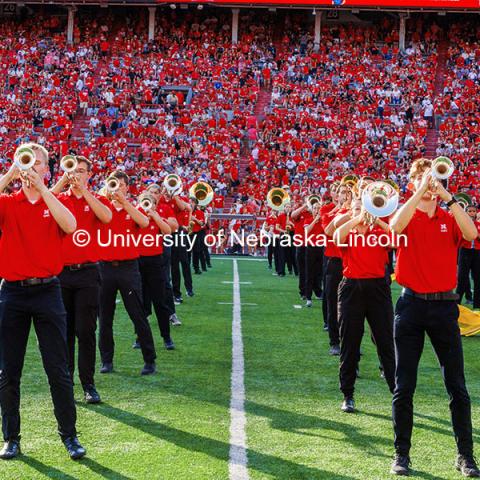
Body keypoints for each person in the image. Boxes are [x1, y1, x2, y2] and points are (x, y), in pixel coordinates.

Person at [389, 158, 479, 477]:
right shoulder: (408, 214)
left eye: (431, 177)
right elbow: (394, 227)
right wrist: (418, 192)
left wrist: (448, 197)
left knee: (457, 385)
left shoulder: (448, 214)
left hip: (444, 308)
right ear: (411, 182)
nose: (427, 182)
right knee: (404, 386)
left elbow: (471, 233)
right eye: (420, 178)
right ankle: (401, 454)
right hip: (411, 306)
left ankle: (465, 455)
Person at [0, 143, 86, 460]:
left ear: (46, 170)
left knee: (58, 370)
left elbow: (71, 225)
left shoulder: (57, 201)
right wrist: (10, 171)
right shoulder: (7, 202)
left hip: (48, 290)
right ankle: (11, 437)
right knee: (8, 371)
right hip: (12, 292)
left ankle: (70, 436)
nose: (30, 167)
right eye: (26, 162)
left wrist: (44, 190)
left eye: (37, 163)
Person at [52, 156, 112, 405]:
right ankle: (67, 383)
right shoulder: (60, 198)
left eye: (81, 171)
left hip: (88, 272)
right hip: (62, 273)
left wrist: (84, 191)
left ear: (89, 174)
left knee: (86, 331)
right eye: (72, 170)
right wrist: (62, 182)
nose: (76, 174)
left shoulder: (96, 199)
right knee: (63, 332)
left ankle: (89, 384)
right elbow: (43, 203)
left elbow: (106, 217)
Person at [333, 197, 396, 413]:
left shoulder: (379, 233)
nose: (362, 212)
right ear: (351, 212)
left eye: (365, 209)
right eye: (357, 208)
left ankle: (396, 391)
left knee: (386, 341)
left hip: (378, 289)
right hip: (351, 289)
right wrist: (356, 217)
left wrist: (376, 220)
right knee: (349, 343)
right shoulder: (347, 232)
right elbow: (335, 236)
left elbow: (396, 239)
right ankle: (348, 394)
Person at [97, 171, 157, 375]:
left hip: (128, 268)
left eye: (122, 185)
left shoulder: (135, 208)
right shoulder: (102, 207)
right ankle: (106, 360)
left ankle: (150, 360)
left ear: (127, 188)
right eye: (114, 184)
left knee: (137, 315)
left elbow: (144, 222)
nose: (118, 187)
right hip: (104, 268)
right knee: (104, 317)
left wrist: (125, 202)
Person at [136, 189, 176, 350]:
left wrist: (155, 216)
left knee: (160, 302)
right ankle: (140, 337)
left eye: (151, 202)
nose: (147, 205)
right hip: (138, 262)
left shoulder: (157, 216)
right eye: (145, 202)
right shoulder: (137, 214)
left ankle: (166, 337)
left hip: (155, 261)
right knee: (141, 304)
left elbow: (168, 231)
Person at [456, 204, 480, 310]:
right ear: (466, 212)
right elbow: (459, 238)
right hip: (465, 251)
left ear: (476, 213)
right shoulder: (461, 224)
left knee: (477, 279)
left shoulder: (478, 224)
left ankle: (477, 304)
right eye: (469, 211)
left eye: (473, 211)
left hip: (477, 253)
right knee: (462, 278)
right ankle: (457, 303)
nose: (471, 213)